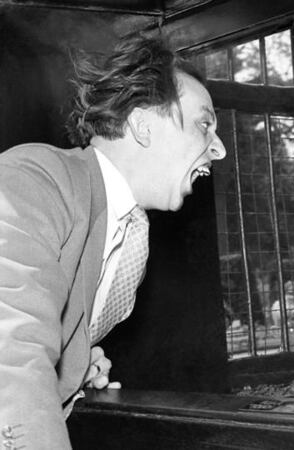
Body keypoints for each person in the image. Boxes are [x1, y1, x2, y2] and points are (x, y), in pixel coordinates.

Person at [0, 35, 226, 449]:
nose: (219, 148)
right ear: (142, 125)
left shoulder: (128, 230)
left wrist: (72, 361)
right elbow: (9, 358)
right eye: (203, 124)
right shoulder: (31, 179)